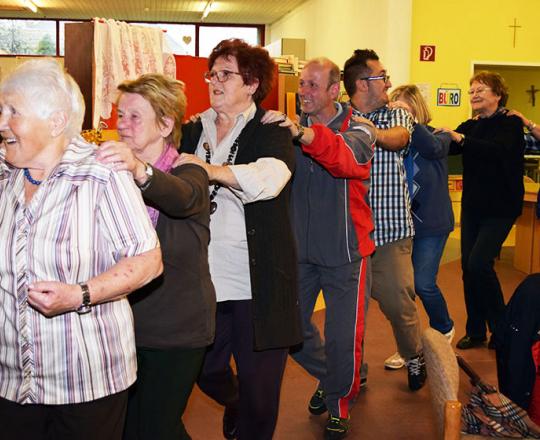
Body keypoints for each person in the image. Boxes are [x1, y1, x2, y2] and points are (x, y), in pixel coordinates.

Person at [0, 59, 162, 440]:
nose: (2, 122)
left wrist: (79, 294)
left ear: (55, 122)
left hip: (85, 381)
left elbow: (148, 260)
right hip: (11, 378)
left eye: (12, 112)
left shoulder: (101, 174)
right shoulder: (6, 174)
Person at [177, 39, 302, 440]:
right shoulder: (193, 128)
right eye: (211, 73)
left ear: (251, 83)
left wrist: (207, 170)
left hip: (258, 283)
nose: (214, 81)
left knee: (262, 395)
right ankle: (234, 401)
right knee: (205, 370)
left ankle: (248, 415)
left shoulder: (271, 128)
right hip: (203, 280)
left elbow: (270, 179)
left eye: (225, 74)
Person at [96, 73, 216, 440]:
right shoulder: (112, 176)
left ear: (165, 124)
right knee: (141, 425)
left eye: (135, 116)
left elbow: (182, 197)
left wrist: (138, 170)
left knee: (150, 428)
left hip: (177, 332)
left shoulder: (188, 168)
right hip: (124, 327)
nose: (122, 124)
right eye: (120, 115)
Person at [262, 57, 376, 439]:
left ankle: (340, 402)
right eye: (302, 85)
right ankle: (333, 379)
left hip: (346, 254)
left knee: (345, 337)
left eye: (313, 85)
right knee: (290, 329)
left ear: (333, 91)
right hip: (300, 252)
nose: (304, 92)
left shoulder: (359, 128)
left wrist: (303, 135)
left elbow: (347, 158)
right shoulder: (287, 131)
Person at [342, 49, 426, 389]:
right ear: (362, 83)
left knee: (397, 302)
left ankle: (415, 354)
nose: (389, 82)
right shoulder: (338, 118)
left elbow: (399, 140)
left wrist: (369, 132)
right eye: (382, 77)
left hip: (391, 232)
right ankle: (353, 372)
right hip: (348, 234)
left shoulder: (396, 115)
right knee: (351, 311)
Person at [440, 71, 525, 350]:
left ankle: (501, 329)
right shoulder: (472, 124)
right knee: (468, 268)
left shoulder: (510, 123)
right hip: (474, 206)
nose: (474, 95)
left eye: (481, 90)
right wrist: (425, 132)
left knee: (479, 264)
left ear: (497, 95)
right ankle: (476, 331)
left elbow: (498, 150)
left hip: (501, 207)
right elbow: (450, 145)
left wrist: (462, 140)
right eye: (471, 91)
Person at [384, 85, 455, 368]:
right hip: (401, 225)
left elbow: (434, 149)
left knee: (423, 284)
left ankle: (444, 327)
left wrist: (410, 121)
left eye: (403, 109)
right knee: (401, 290)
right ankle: (409, 347)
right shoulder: (393, 141)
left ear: (415, 109)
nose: (398, 115)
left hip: (432, 224)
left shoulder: (439, 135)